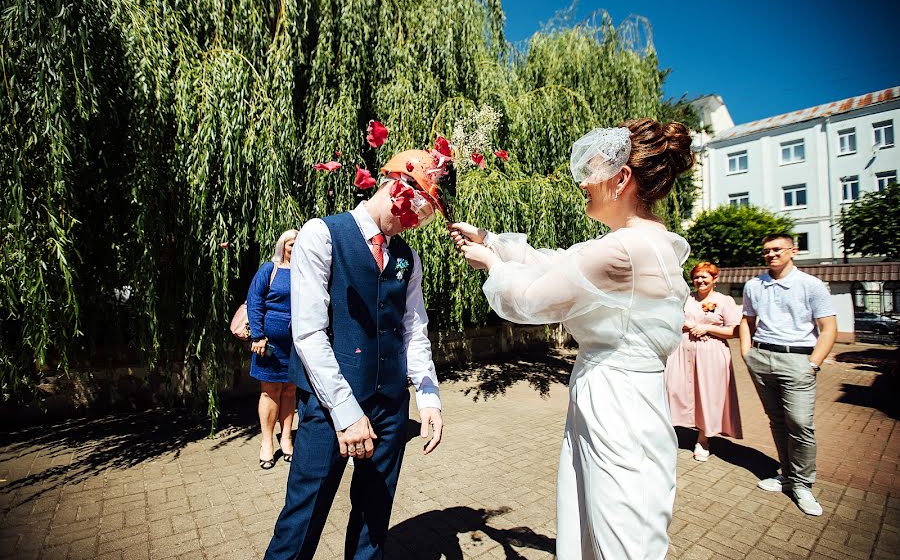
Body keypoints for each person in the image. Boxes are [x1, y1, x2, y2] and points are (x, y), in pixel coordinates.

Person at [451, 118, 694, 560]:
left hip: (616, 403)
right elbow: (560, 263)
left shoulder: (623, 250)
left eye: (593, 169)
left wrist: (491, 264)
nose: (583, 181)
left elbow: (531, 299)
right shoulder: (645, 242)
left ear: (621, 179)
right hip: (617, 393)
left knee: (621, 530)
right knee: (594, 516)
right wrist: (491, 241)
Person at [265, 149, 445, 560]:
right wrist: (346, 413)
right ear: (395, 186)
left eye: (424, 214)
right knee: (301, 522)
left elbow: (413, 330)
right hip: (329, 408)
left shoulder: (407, 258)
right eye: (413, 208)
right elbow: (308, 333)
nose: (414, 220)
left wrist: (428, 396)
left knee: (372, 526)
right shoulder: (322, 234)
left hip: (389, 406)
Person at [739, 233, 837, 516]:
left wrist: (813, 363)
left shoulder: (811, 285)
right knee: (778, 421)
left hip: (798, 360)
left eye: (777, 249)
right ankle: (786, 475)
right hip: (761, 357)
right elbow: (747, 320)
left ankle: (803, 484)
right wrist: (747, 353)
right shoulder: (754, 285)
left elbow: (828, 327)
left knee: (800, 423)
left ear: (793, 251)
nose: (771, 254)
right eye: (766, 250)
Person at [665, 261, 743, 462]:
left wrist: (708, 328)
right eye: (697, 277)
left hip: (711, 355)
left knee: (707, 395)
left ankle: (703, 439)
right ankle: (669, 432)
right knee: (673, 390)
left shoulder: (724, 301)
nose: (700, 280)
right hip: (682, 352)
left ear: (715, 279)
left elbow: (734, 331)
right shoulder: (685, 298)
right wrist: (688, 324)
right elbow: (671, 318)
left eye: (704, 277)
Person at [248, 229, 299, 470]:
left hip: (297, 343)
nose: (295, 248)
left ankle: (286, 438)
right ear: (282, 246)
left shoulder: (306, 271)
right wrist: (258, 335)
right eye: (291, 244)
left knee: (290, 390)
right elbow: (255, 301)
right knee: (270, 391)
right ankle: (267, 442)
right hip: (269, 343)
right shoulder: (270, 269)